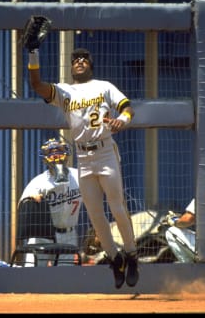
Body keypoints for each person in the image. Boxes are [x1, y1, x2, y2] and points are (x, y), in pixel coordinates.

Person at [26, 45, 138, 288]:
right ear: (70, 66)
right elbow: (37, 85)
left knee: (118, 208)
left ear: (91, 64)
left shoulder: (104, 86)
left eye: (84, 58)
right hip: (83, 157)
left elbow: (127, 108)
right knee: (96, 215)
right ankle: (114, 259)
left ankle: (131, 254)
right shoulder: (65, 91)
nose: (79, 61)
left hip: (106, 151)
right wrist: (34, 53)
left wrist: (123, 120)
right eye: (75, 58)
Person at [15, 138, 82, 266]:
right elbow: (21, 204)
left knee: (64, 278)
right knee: (33, 275)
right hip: (41, 235)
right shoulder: (39, 182)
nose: (56, 155)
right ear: (45, 158)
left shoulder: (78, 176)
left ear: (67, 153)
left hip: (69, 234)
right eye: (51, 152)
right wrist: (31, 198)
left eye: (59, 151)